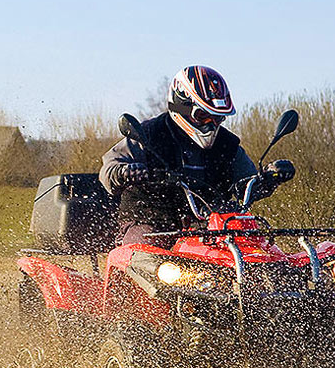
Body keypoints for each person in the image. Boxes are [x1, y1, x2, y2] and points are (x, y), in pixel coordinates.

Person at [99, 65, 295, 245]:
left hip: (210, 228)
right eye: (203, 116)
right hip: (150, 224)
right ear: (180, 107)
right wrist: (126, 172)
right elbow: (108, 170)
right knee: (144, 249)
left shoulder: (228, 145)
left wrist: (268, 179)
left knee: (256, 246)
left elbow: (247, 184)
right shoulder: (146, 135)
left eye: (217, 118)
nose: (211, 125)